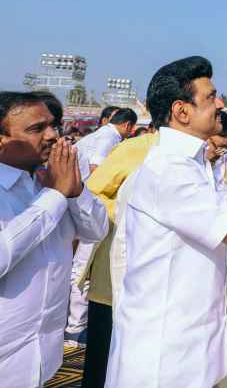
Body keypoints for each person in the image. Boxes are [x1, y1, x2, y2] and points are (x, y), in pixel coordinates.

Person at [104, 56, 227, 388]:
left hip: (185, 349)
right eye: (211, 97)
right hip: (163, 359)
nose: (221, 103)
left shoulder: (192, 165)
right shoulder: (169, 170)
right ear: (182, 111)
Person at [0, 91, 109, 387]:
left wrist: (74, 191)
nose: (52, 135)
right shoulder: (45, 190)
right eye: (36, 129)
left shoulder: (51, 177)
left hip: (44, 355)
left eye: (53, 125)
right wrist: (55, 196)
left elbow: (96, 230)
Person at [79, 128, 160, 388]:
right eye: (209, 99)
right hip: (114, 277)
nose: (217, 107)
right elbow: (92, 193)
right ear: (180, 109)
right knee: (104, 357)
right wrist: (135, 215)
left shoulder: (194, 154)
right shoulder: (136, 148)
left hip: (155, 281)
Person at [66, 106, 138, 345]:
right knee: (84, 268)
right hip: (87, 207)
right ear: (128, 126)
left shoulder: (100, 135)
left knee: (80, 266)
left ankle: (75, 324)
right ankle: (76, 327)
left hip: (82, 204)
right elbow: (98, 170)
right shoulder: (110, 138)